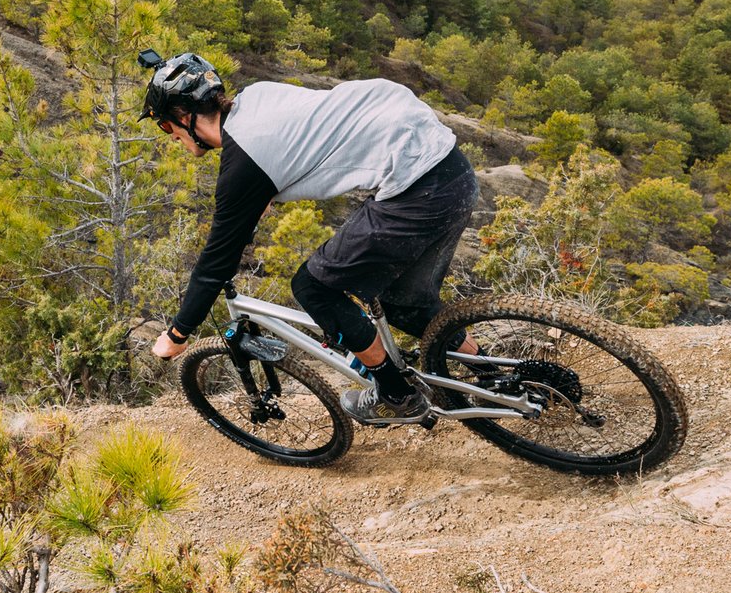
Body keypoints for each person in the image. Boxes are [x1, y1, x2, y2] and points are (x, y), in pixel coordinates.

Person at [141, 51, 479, 423]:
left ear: (183, 117)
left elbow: (214, 265)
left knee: (313, 287)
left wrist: (177, 333)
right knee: (403, 302)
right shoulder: (259, 97)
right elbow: (303, 140)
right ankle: (492, 376)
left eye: (165, 127)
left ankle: (395, 395)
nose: (171, 136)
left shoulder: (243, 165)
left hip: (419, 190)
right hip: (452, 170)